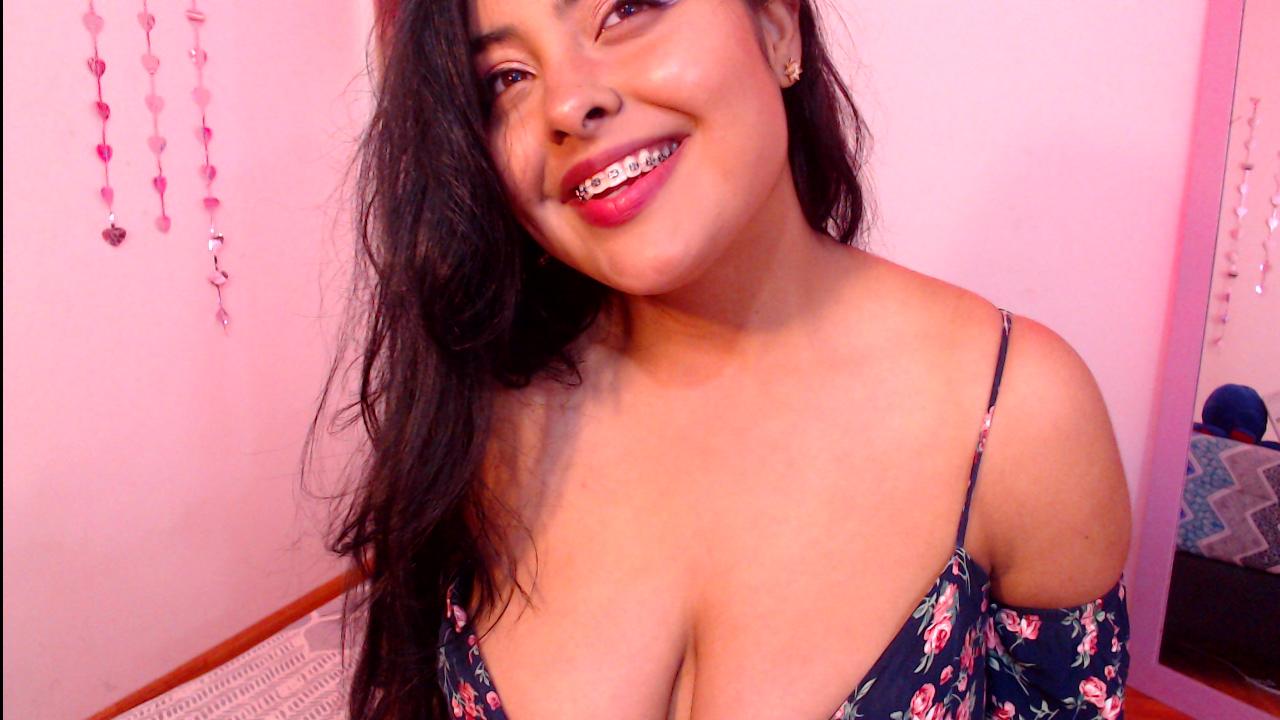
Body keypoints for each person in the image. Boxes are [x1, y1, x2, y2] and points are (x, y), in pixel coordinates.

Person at [309, 0, 1133, 718]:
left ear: (776, 25)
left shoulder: (1016, 414)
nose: (567, 101)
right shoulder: (478, 408)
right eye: (505, 78)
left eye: (626, 8)